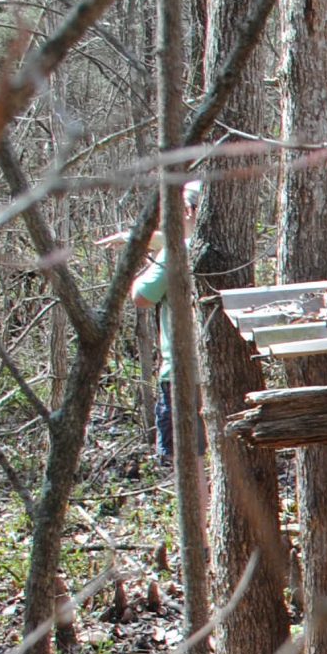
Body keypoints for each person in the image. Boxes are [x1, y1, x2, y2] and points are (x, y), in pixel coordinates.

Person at [130, 187, 198, 462]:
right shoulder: (225, 246)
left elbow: (142, 296)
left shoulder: (175, 253)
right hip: (220, 370)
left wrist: (156, 255)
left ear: (188, 210)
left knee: (187, 461)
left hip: (181, 373)